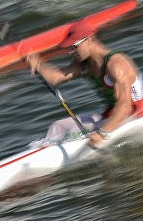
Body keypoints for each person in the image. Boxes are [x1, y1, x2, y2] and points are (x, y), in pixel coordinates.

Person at [25, 19, 143, 149]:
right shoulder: (84, 65)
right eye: (70, 48)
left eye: (74, 46)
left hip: (134, 116)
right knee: (57, 127)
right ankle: (37, 150)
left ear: (89, 40)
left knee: (72, 133)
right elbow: (56, 78)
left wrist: (102, 133)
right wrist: (38, 65)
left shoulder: (116, 64)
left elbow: (125, 106)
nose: (71, 51)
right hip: (111, 115)